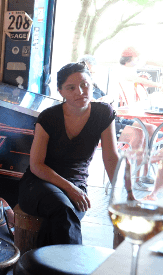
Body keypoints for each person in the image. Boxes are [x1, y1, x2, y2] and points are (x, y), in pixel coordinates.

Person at [18, 62, 119, 246]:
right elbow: (36, 165)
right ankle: (71, 263)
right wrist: (71, 189)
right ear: (61, 91)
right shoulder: (48, 117)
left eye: (84, 85)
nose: (80, 92)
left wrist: (123, 194)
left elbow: (111, 158)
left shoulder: (103, 113)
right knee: (63, 210)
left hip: (77, 184)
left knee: (61, 216)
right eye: (71, 88)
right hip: (38, 184)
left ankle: (40, 263)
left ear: (92, 85)